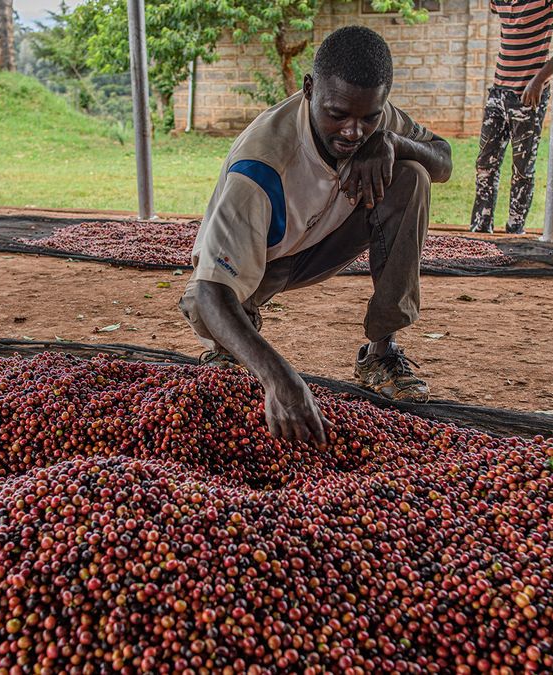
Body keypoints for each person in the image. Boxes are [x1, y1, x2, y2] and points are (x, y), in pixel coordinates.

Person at [179, 25, 452, 446]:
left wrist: (394, 141)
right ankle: (232, 344)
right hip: (259, 263)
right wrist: (279, 378)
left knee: (412, 177)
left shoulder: (378, 121)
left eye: (369, 118)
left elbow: (444, 161)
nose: (353, 132)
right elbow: (211, 291)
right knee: (212, 312)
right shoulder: (261, 165)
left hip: (327, 242)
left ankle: (381, 356)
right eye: (337, 114)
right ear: (309, 89)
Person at [470, 1, 553, 234]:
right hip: (498, 91)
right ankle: (480, 229)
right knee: (484, 165)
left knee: (522, 169)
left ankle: (514, 231)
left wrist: (539, 80)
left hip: (527, 95)